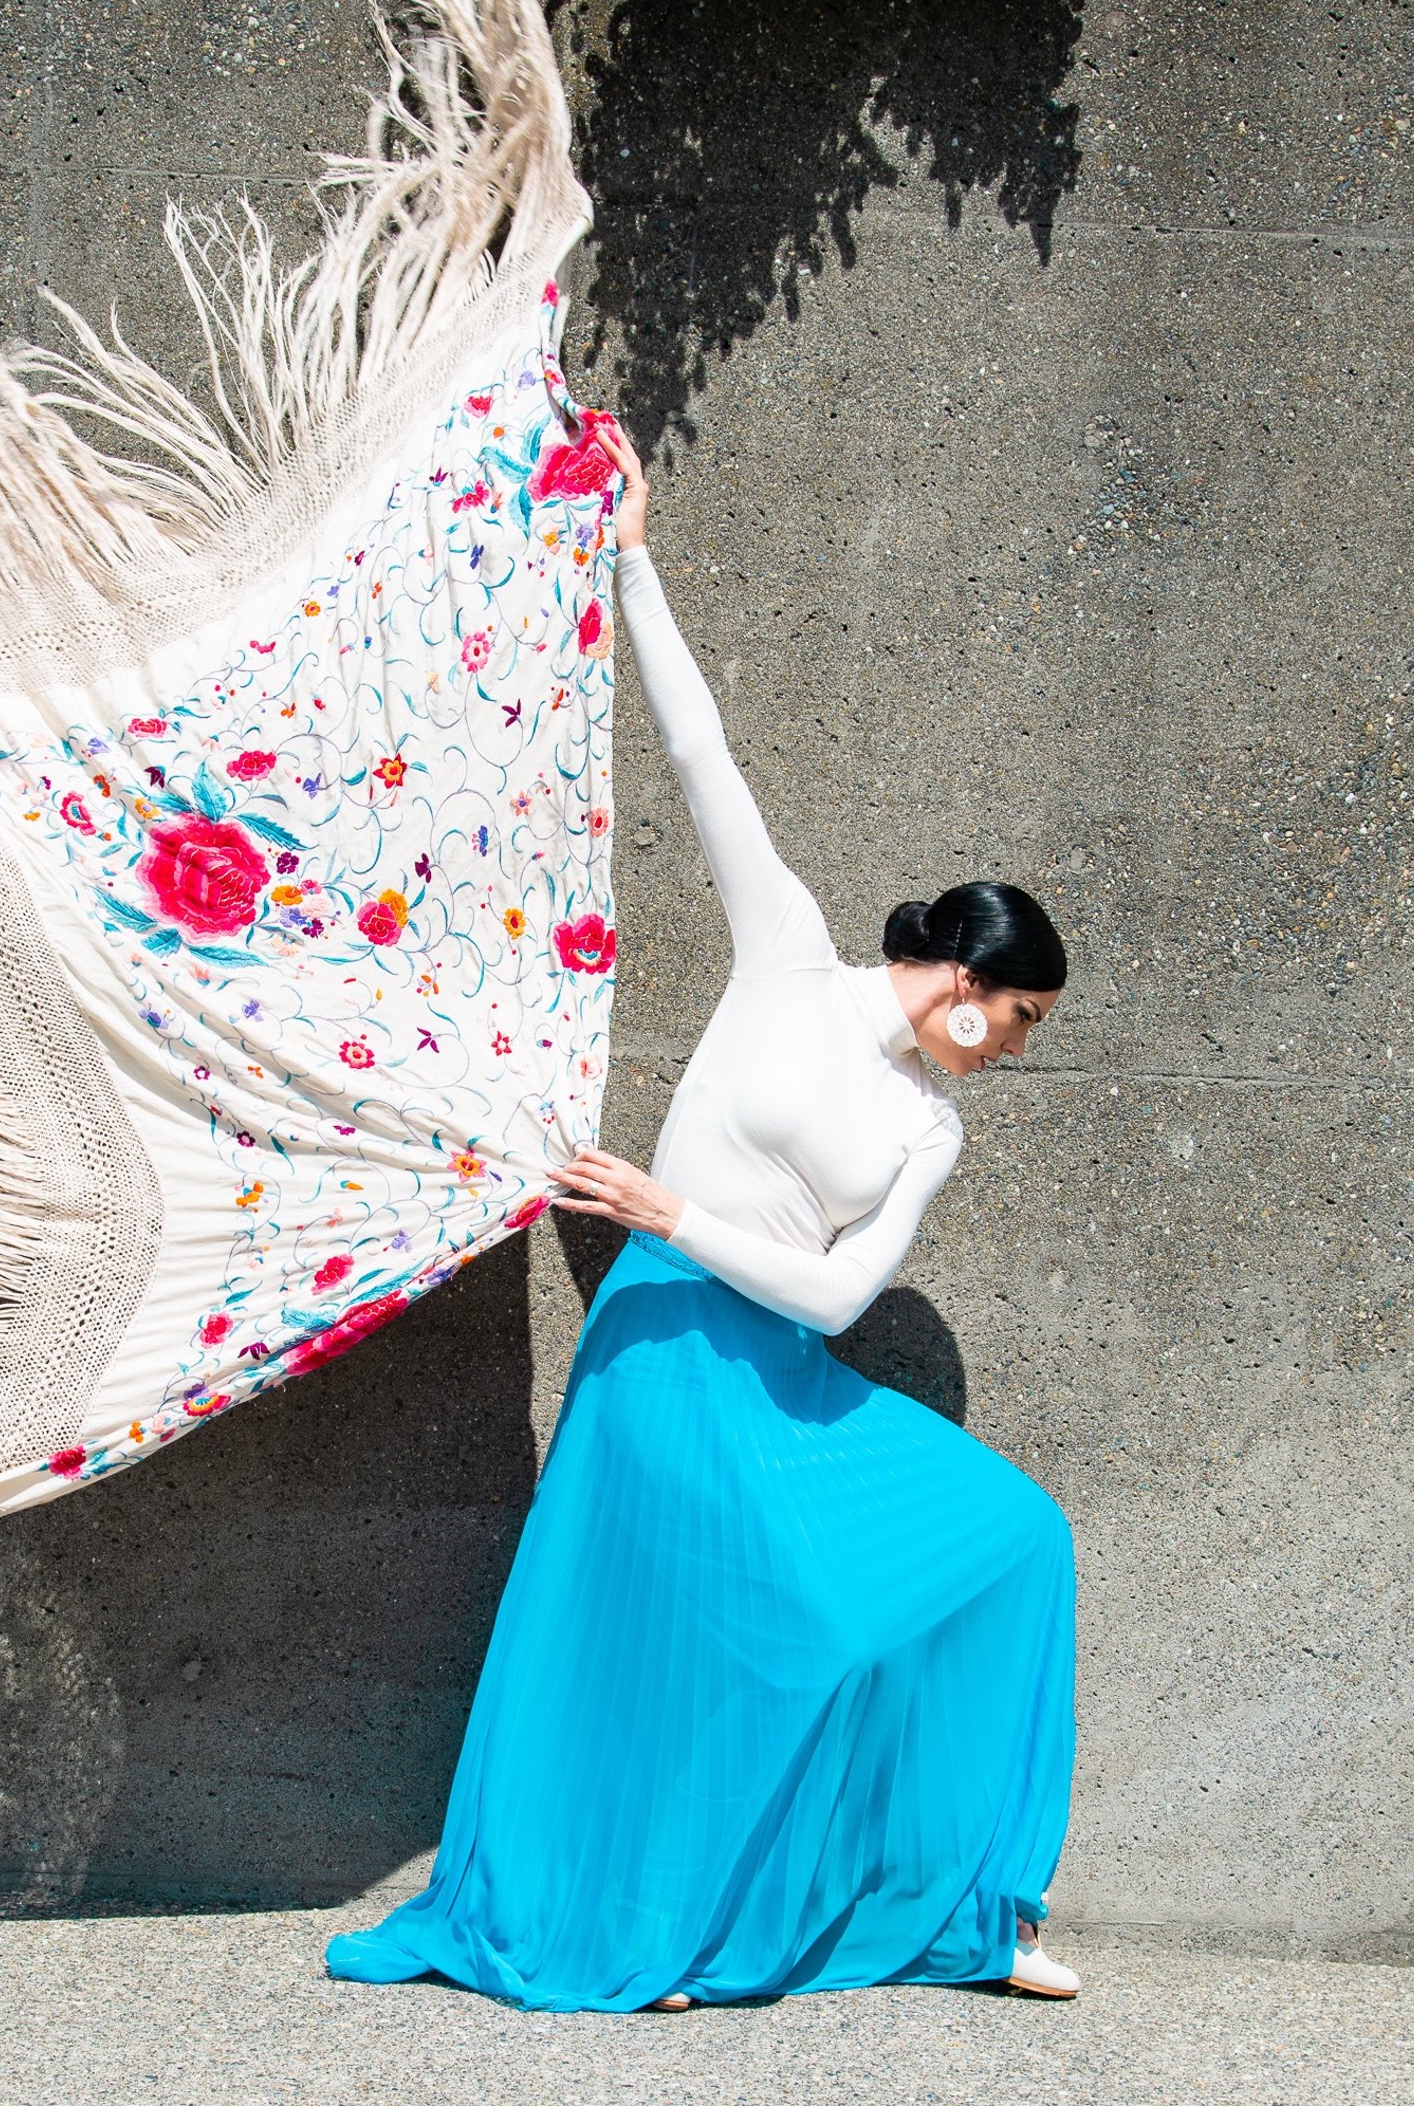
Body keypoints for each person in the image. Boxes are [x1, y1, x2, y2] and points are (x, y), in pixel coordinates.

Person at [324, 419, 1080, 2010]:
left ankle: (970, 1916)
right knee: (713, 1649)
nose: (1013, 1049)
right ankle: (642, 1931)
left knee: (1016, 1538)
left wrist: (668, 1199)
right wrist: (631, 552)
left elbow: (827, 1300)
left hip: (780, 1370)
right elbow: (701, 751)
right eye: (1017, 1017)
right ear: (968, 974)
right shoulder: (789, 950)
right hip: (662, 1344)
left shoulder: (930, 1127)